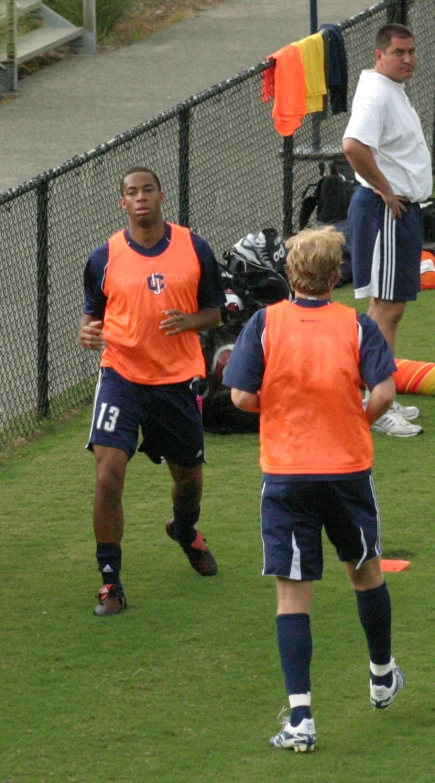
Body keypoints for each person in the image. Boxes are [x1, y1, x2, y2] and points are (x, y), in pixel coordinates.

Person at [223, 226, 404, 752]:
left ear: (290, 272)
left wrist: (276, 413)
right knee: (365, 573)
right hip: (346, 470)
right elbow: (386, 393)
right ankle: (381, 673)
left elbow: (238, 396)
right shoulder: (357, 326)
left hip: (287, 474)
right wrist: (357, 420)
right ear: (336, 275)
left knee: (292, 594)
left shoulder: (265, 323)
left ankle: (301, 719)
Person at [78, 167, 225, 616]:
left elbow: (215, 313)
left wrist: (191, 322)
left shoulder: (195, 247)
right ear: (122, 203)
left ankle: (184, 530)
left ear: (161, 195)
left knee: (189, 482)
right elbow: (91, 316)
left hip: (176, 382)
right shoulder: (103, 257)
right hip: (121, 376)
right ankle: (110, 583)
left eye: (147, 190)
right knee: (108, 475)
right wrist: (87, 333)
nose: (140, 198)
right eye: (130, 192)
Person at [342, 23, 432, 437]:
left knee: (389, 308)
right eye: (399, 52)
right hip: (386, 211)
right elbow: (353, 146)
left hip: (396, 210)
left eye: (411, 51)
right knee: (386, 309)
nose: (408, 59)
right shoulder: (377, 94)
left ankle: (382, 395)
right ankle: (374, 402)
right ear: (379, 55)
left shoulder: (390, 89)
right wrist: (387, 190)